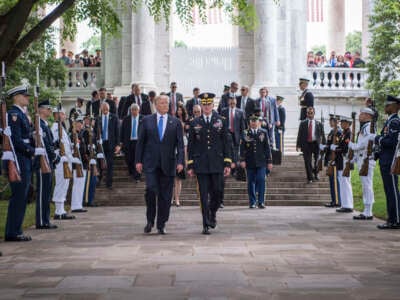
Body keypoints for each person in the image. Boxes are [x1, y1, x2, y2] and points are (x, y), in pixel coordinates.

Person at [135, 95, 184, 234]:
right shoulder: (146, 120)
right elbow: (140, 142)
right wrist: (138, 161)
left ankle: (161, 223)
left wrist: (180, 161)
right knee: (150, 190)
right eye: (162, 103)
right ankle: (150, 219)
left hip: (169, 164)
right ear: (156, 105)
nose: (165, 105)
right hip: (151, 163)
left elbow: (180, 145)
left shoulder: (175, 122)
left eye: (167, 103)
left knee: (166, 196)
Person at [187, 93, 232, 234]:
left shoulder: (221, 121)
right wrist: (190, 165)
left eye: (209, 104)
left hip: (217, 163)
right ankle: (205, 223)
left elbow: (226, 143)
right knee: (203, 194)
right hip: (201, 165)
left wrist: (227, 163)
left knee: (217, 192)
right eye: (204, 104)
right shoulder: (195, 122)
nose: (206, 107)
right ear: (201, 105)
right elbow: (191, 145)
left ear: (213, 105)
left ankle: (212, 213)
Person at [4, 86, 35, 241]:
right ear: (16, 97)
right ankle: (13, 232)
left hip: (23, 159)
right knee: (18, 196)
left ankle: (16, 229)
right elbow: (15, 141)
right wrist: (31, 150)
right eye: (25, 95)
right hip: (19, 160)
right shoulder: (14, 115)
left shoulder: (21, 115)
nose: (27, 98)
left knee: (22, 197)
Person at [375, 95, 400, 229]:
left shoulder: (394, 122)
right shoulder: (390, 121)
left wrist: (378, 139)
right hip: (385, 160)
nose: (385, 107)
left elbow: (393, 142)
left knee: (392, 190)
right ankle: (392, 219)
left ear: (395, 106)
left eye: (388, 105)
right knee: (389, 190)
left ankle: (396, 219)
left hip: (391, 161)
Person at [240, 114, 273, 209]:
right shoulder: (245, 133)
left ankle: (261, 202)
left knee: (261, 179)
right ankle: (252, 202)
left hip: (261, 161)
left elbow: (267, 148)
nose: (254, 123)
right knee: (251, 181)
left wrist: (269, 161)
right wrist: (242, 159)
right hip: (250, 161)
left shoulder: (263, 132)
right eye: (252, 122)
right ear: (250, 123)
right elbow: (242, 148)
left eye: (255, 121)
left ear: (259, 122)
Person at [348, 108, 376, 220]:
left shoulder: (368, 127)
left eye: (362, 114)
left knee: (367, 186)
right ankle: (367, 210)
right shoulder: (365, 127)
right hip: (362, 159)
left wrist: (353, 146)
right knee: (366, 186)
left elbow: (367, 143)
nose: (360, 116)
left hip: (366, 160)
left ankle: (368, 211)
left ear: (367, 115)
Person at [35, 100, 59, 229]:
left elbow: (49, 144)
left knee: (47, 193)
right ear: (41, 110)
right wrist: (54, 156)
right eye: (48, 108)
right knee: (42, 193)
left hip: (48, 162)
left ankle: (45, 219)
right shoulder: (39, 125)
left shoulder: (44, 125)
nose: (50, 111)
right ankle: (41, 221)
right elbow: (44, 145)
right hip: (42, 162)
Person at [51, 107, 75, 220]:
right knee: (61, 184)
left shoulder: (62, 128)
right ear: (59, 114)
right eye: (63, 114)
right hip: (61, 161)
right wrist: (62, 157)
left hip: (66, 160)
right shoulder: (56, 128)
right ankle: (58, 210)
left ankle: (61, 210)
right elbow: (56, 145)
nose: (65, 116)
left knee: (65, 184)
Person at [296, 107, 326, 183]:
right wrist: (298, 145)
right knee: (307, 161)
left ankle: (316, 173)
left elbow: (323, 135)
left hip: (316, 144)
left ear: (314, 113)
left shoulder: (319, 124)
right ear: (306, 114)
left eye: (311, 113)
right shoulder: (303, 123)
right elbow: (299, 134)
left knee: (317, 161)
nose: (310, 115)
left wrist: (324, 145)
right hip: (306, 145)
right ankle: (310, 178)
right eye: (308, 113)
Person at [95, 102, 120, 189]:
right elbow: (95, 132)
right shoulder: (98, 118)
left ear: (109, 108)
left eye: (106, 108)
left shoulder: (114, 117)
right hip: (100, 145)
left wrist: (118, 144)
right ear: (101, 109)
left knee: (110, 164)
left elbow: (117, 132)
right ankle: (99, 180)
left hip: (111, 144)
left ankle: (109, 184)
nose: (105, 109)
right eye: (103, 108)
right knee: (99, 163)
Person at [332, 116, 354, 213]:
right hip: (341, 161)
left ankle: (348, 205)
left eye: (343, 122)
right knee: (342, 182)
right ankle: (345, 204)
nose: (341, 124)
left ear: (348, 124)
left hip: (345, 161)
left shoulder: (349, 134)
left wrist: (335, 148)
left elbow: (345, 149)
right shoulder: (344, 133)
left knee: (345, 183)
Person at [221, 95, 245, 173]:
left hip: (236, 135)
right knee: (228, 151)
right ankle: (228, 167)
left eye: (234, 103)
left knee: (235, 152)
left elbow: (242, 126)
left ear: (236, 102)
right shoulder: (223, 111)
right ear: (228, 102)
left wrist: (242, 137)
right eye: (231, 103)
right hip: (227, 134)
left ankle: (235, 169)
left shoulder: (240, 112)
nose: (232, 104)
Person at [322, 115, 342, 208]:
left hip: (335, 159)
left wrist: (328, 147)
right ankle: (334, 199)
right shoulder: (331, 132)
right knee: (332, 181)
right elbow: (329, 144)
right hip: (330, 157)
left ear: (336, 122)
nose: (330, 123)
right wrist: (325, 147)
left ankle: (337, 201)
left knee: (334, 181)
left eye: (332, 121)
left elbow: (337, 146)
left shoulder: (338, 132)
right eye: (330, 121)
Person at [120, 103, 142, 182]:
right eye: (132, 110)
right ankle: (132, 172)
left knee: (137, 159)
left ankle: (137, 176)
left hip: (138, 142)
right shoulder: (126, 119)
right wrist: (121, 142)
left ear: (138, 110)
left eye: (135, 110)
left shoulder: (143, 119)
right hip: (128, 142)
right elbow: (122, 131)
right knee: (129, 159)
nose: (134, 111)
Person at [173, 104, 188, 206]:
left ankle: (177, 198)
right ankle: (171, 198)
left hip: (180, 158)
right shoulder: (173, 120)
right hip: (172, 157)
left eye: (180, 110)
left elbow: (185, 150)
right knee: (172, 179)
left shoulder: (185, 138)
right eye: (177, 110)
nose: (179, 111)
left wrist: (185, 160)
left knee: (178, 179)